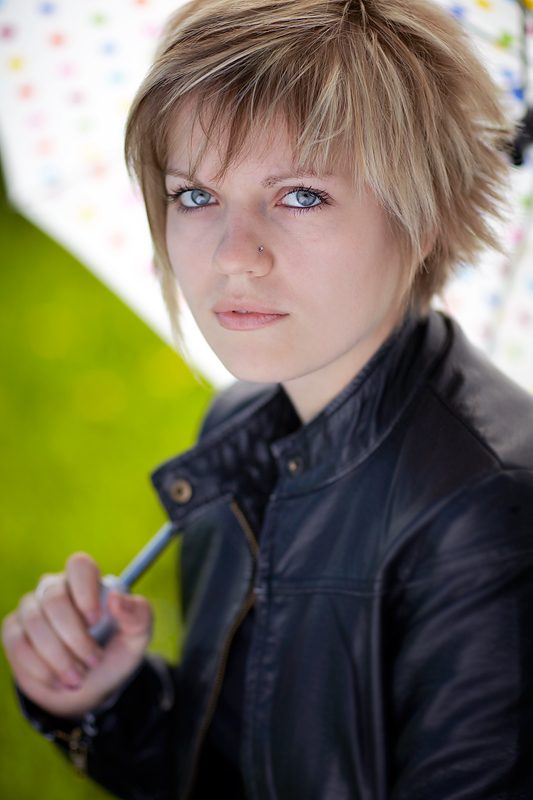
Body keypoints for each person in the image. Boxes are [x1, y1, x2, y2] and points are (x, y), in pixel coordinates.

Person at [3, 0, 533, 797]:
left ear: (420, 215)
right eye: (193, 195)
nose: (233, 255)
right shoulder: (243, 425)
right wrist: (108, 705)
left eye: (300, 196)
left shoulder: (489, 520)